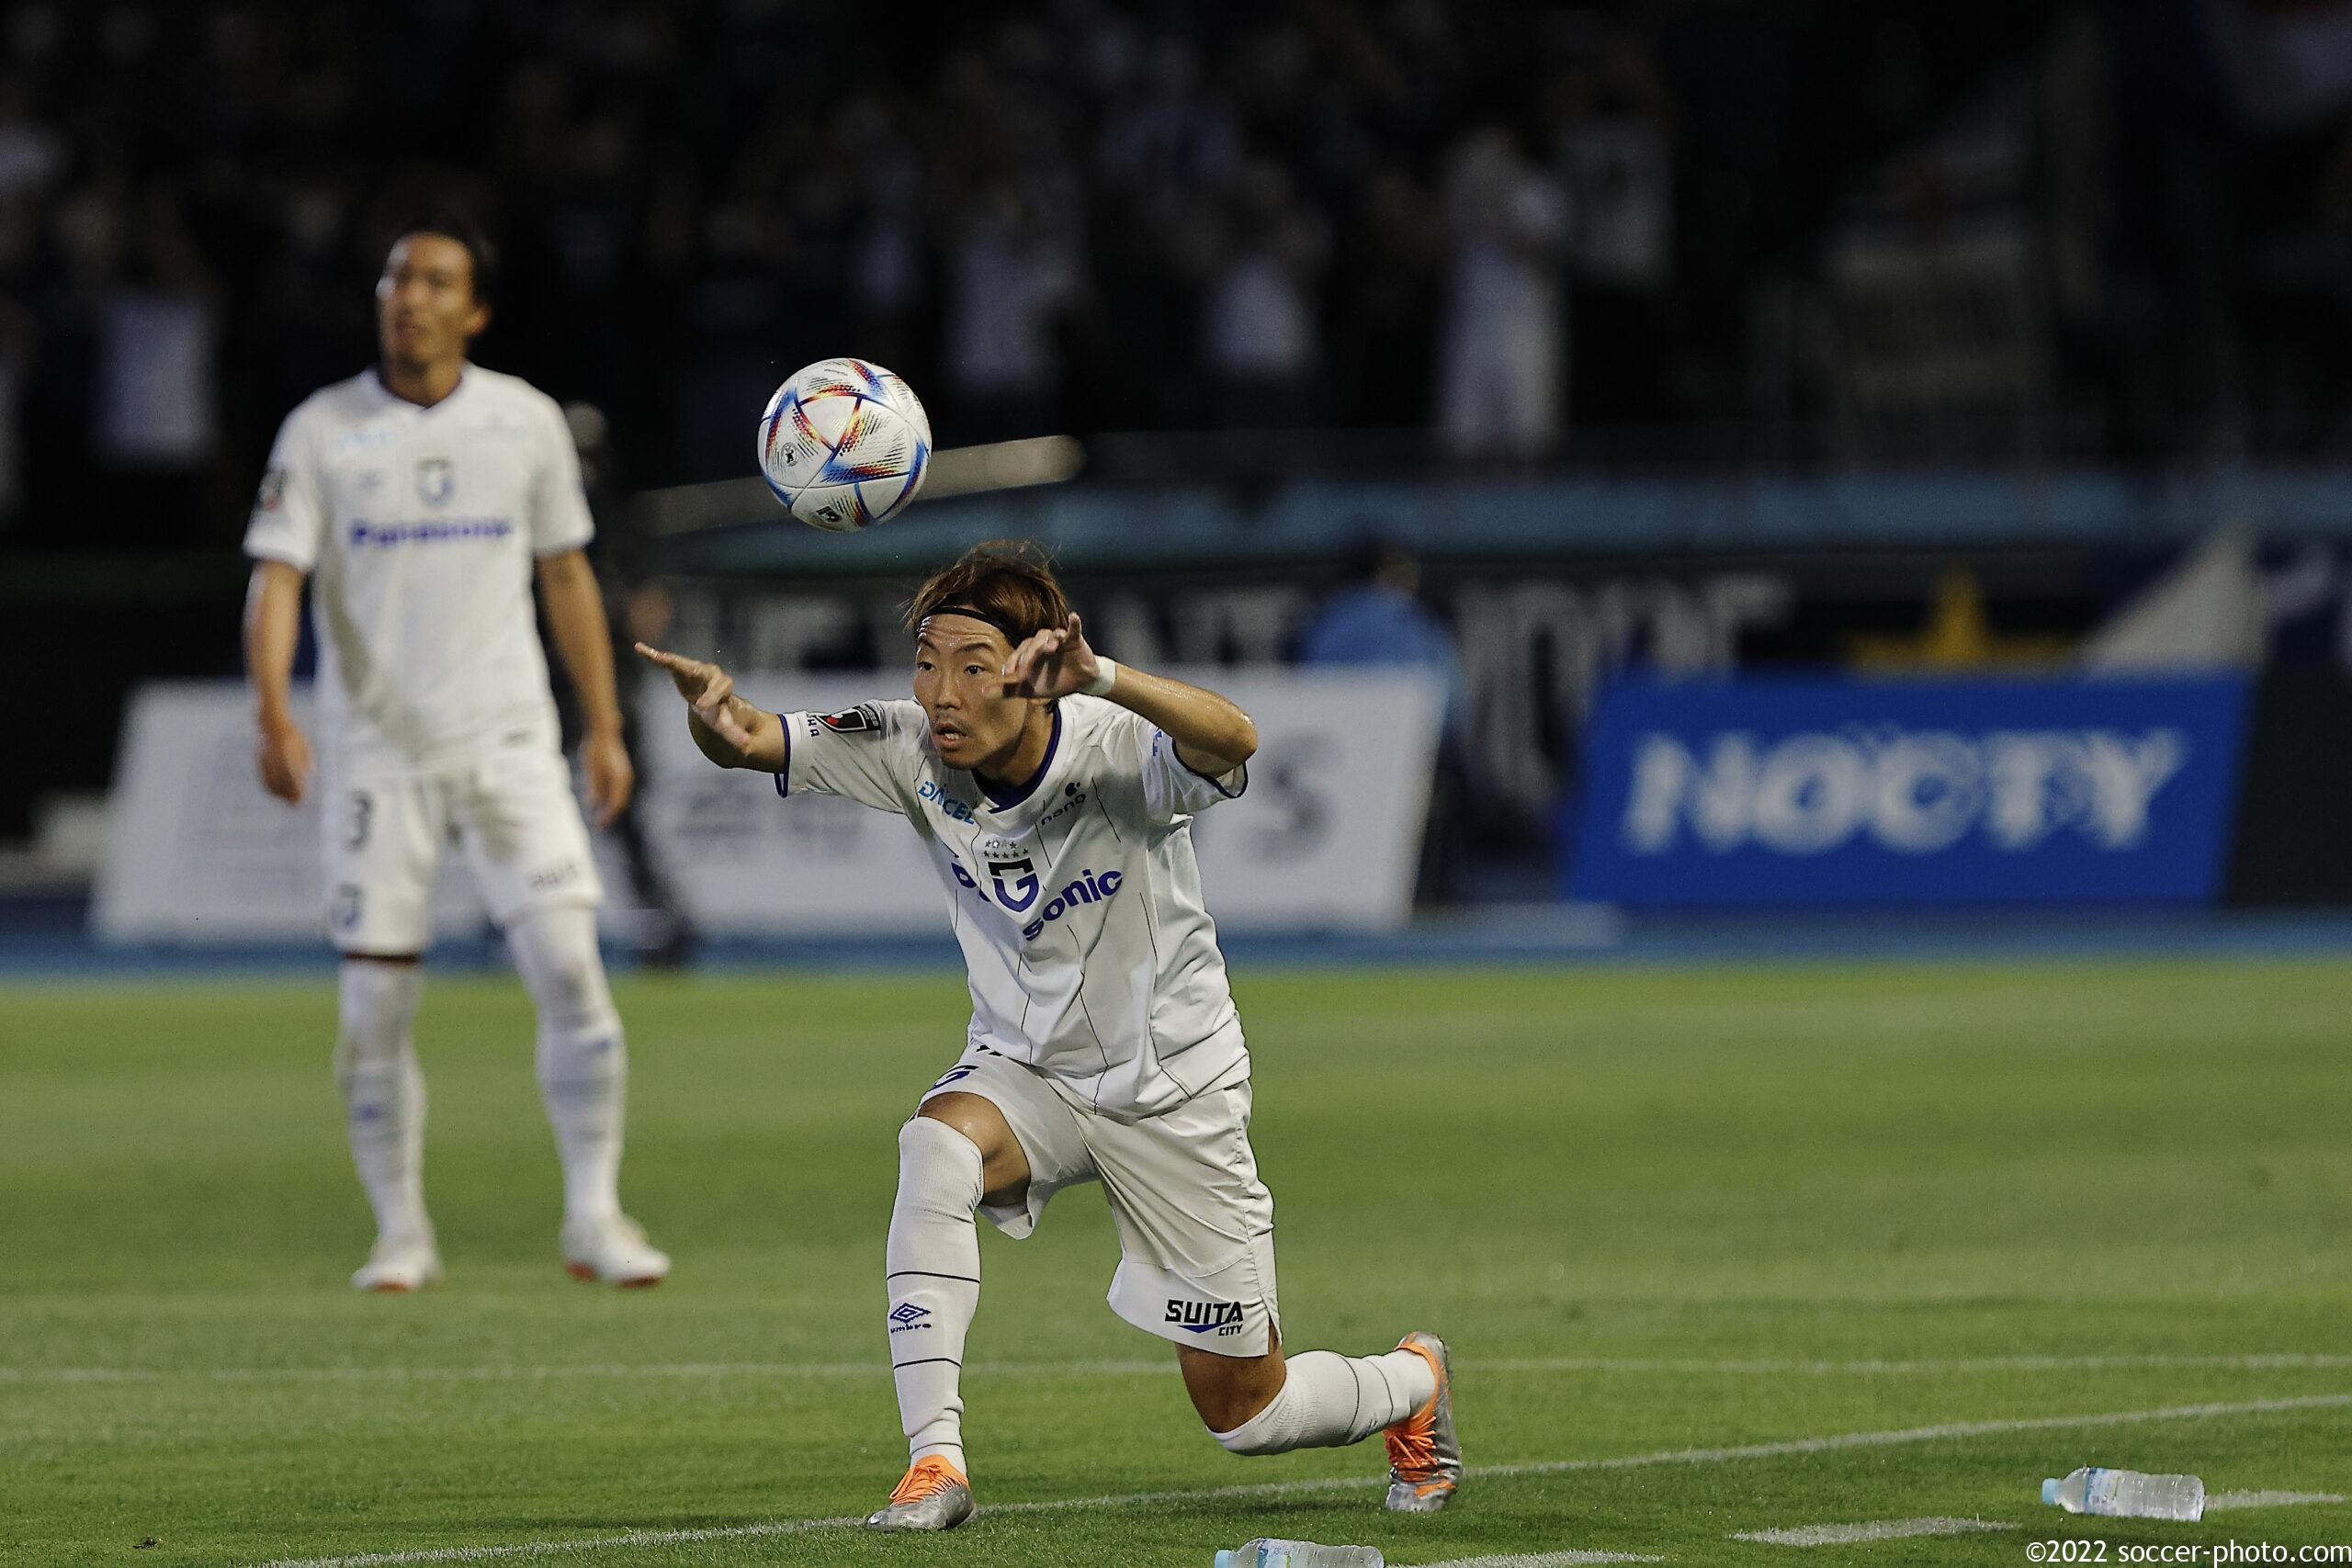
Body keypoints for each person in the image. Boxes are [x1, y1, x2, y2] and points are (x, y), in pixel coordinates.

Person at [638, 541, 1461, 1531]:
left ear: (1034, 676)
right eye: (928, 662)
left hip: (1172, 1093)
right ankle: (934, 1464)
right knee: (934, 1147)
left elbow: (1234, 740)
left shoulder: (1111, 746)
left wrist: (1104, 675)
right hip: (1030, 1072)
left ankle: (1409, 1384)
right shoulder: (907, 746)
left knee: (1246, 1412)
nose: (941, 692)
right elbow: (750, 739)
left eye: (972, 667)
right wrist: (714, 719)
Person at [242, 215, 668, 1292]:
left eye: (435, 282)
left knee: (572, 970)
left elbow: (567, 576)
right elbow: (277, 576)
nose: (411, 297)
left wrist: (605, 723)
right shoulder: (321, 429)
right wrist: (271, 711)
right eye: (397, 280)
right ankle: (400, 1233)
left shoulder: (521, 422)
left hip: (511, 741)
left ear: (473, 310)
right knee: (374, 1005)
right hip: (377, 754)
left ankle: (595, 1217)